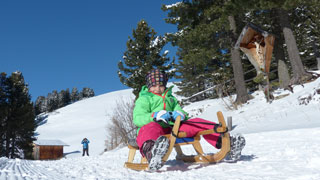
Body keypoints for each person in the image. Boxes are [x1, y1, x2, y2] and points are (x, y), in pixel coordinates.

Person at [133, 69, 245, 170]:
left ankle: (227, 143)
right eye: (154, 85)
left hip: (173, 127)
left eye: (161, 85)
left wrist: (180, 114)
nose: (158, 88)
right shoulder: (144, 99)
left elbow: (180, 111)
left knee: (195, 122)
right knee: (150, 128)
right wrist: (155, 116)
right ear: (148, 86)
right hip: (154, 129)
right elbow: (138, 118)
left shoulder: (170, 98)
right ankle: (153, 153)